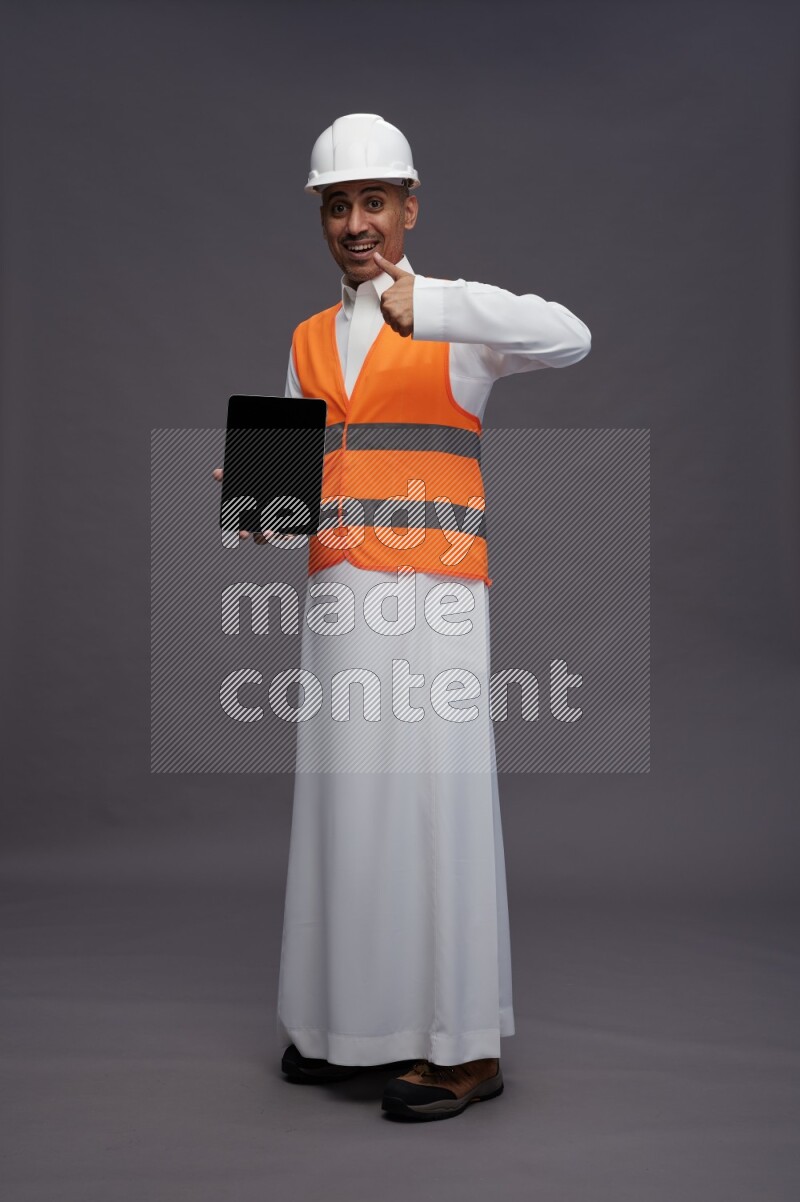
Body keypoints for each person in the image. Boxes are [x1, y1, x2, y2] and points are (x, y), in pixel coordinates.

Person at [215, 113, 591, 1121]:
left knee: (436, 805)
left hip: (431, 604)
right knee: (348, 813)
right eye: (336, 203)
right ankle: (352, 1030)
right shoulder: (302, 339)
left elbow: (570, 336)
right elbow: (283, 498)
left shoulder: (454, 320)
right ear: (321, 216)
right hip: (338, 603)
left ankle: (465, 1048)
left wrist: (439, 302)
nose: (354, 222)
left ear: (408, 208)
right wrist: (254, 510)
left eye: (372, 200)